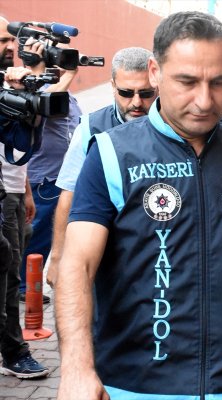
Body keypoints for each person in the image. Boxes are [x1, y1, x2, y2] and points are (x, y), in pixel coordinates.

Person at [54, 11, 222, 400]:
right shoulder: (110, 153)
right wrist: (76, 368)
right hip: (132, 388)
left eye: (218, 82)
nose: (204, 101)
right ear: (155, 72)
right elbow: (77, 265)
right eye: (187, 82)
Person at [46, 47, 156, 287]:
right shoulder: (90, 127)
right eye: (126, 93)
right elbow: (69, 193)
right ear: (113, 86)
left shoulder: (174, 126)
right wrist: (57, 258)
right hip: (102, 251)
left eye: (146, 93)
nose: (137, 102)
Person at [17, 36, 82, 303]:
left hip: (60, 177)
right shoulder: (40, 90)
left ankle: (29, 283)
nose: (65, 64)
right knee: (37, 234)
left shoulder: (66, 94)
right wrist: (68, 74)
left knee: (49, 235)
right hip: (44, 179)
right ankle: (23, 287)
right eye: (59, 57)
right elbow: (47, 101)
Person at [0, 34, 49, 377]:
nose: (10, 46)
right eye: (3, 39)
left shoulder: (8, 85)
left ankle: (13, 351)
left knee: (10, 272)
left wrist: (24, 98)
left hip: (10, 190)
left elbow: (17, 145)